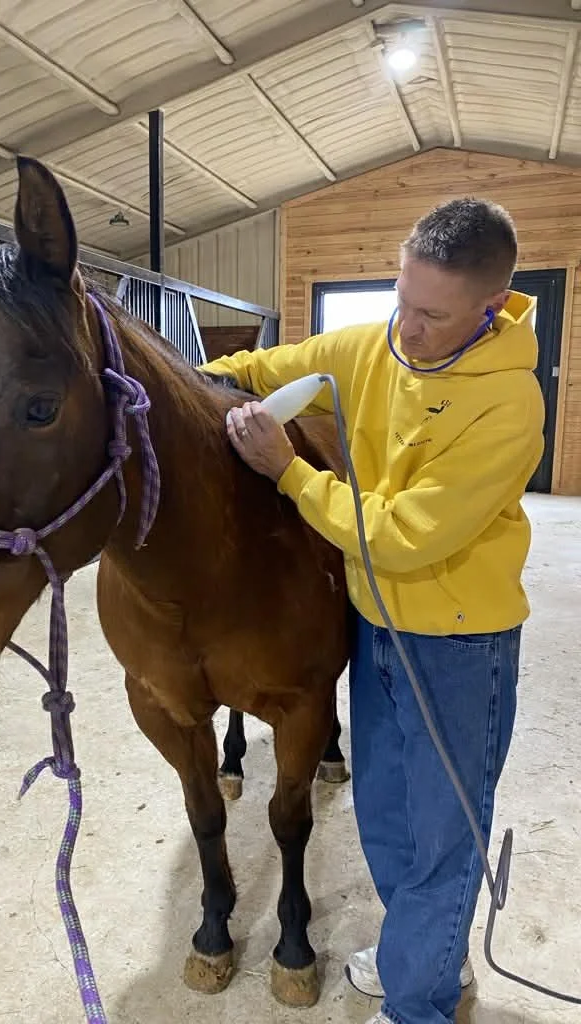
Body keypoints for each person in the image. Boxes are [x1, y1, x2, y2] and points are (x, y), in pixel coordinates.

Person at [199, 197, 545, 1024]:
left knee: (444, 834)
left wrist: (290, 472)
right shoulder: (370, 346)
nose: (409, 329)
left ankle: (419, 1003)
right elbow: (267, 366)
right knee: (387, 820)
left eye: (434, 315)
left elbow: (401, 536)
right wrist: (189, 384)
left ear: (492, 306)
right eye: (402, 299)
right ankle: (425, 959)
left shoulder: (509, 403)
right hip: (377, 628)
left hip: (460, 644)